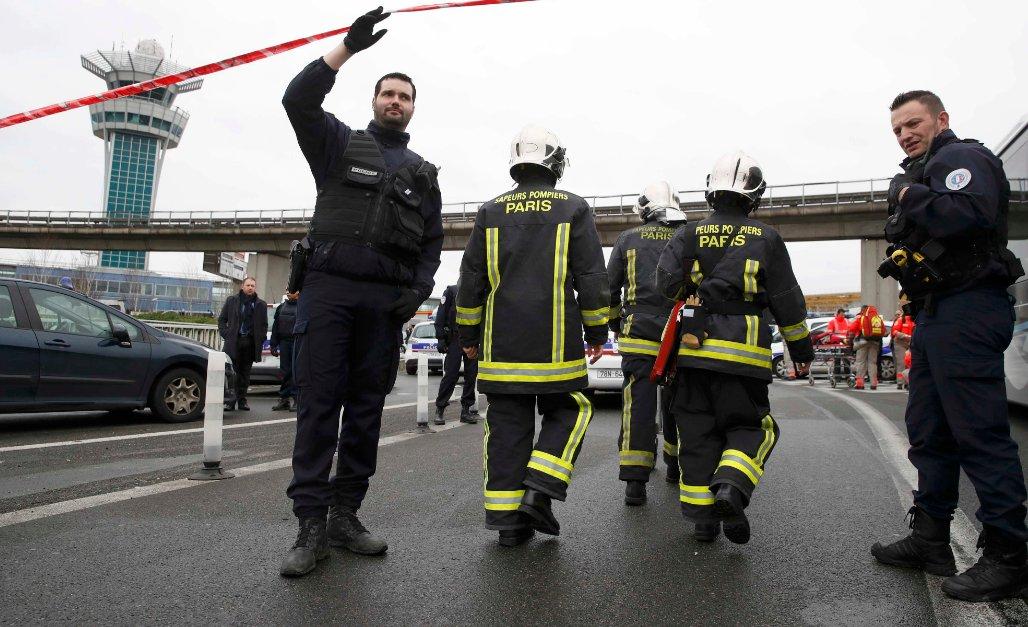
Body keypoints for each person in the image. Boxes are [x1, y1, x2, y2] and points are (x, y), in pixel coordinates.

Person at [278, 7, 443, 577]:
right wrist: (345, 49)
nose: (395, 102)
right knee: (319, 407)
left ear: (413, 107)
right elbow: (295, 100)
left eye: (405, 97)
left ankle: (346, 516)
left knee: (366, 411)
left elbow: (432, 245)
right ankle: (310, 527)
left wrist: (416, 294)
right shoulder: (336, 144)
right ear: (374, 101)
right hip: (327, 292)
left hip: (384, 305)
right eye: (388, 94)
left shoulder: (423, 173)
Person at [870, 90, 1027, 601]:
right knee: (929, 431)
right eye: (897, 129)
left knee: (979, 434)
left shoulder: (963, 157)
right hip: (937, 313)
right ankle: (930, 538)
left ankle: (1010, 555)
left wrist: (908, 196)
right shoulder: (928, 168)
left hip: (969, 307)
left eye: (913, 123)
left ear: (941, 119)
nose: (905, 134)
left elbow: (972, 215)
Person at [456, 125, 608, 547]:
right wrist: (597, 329)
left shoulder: (490, 211)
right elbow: (591, 276)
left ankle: (508, 524)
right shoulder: (574, 208)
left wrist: (468, 332)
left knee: (505, 427)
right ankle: (540, 490)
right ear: (556, 162)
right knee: (572, 410)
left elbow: (471, 278)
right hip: (555, 344)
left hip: (502, 345)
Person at [656, 151, 813, 544]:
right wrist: (802, 351)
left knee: (696, 434)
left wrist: (694, 291)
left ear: (711, 190)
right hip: (744, 356)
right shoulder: (767, 238)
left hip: (694, 351)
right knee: (752, 427)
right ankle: (730, 484)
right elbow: (787, 300)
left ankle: (703, 522)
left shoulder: (687, 233)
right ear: (754, 195)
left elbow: (665, 284)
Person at [606, 181, 686, 505]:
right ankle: (674, 466)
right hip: (676, 338)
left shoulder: (627, 239)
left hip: (638, 336)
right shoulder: (686, 237)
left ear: (644, 208)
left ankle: (635, 485)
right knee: (676, 403)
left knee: (637, 405)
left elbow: (609, 288)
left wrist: (614, 323)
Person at [218, 277, 268, 411]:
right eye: (248, 285)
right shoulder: (232, 301)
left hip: (250, 343)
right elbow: (222, 320)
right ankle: (230, 401)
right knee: (232, 372)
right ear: (242, 286)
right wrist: (226, 334)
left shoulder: (260, 304)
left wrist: (260, 338)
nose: (250, 288)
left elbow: (264, 325)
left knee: (245, 373)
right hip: (234, 341)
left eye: (253, 285)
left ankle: (242, 400)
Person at [433, 282, 479, 425]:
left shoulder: (478, 293)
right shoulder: (452, 291)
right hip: (454, 338)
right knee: (451, 374)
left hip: (472, 340)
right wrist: (440, 338)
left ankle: (466, 410)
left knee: (471, 376)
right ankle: (440, 408)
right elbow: (441, 315)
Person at [270, 291, 300, 411]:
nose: (288, 292)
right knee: (285, 372)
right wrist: (273, 344)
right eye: (287, 290)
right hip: (284, 342)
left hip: (297, 342)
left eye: (291, 290)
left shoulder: (303, 306)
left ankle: (297, 399)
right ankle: (284, 399)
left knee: (296, 371)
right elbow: (276, 327)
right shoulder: (282, 307)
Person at [846, 304, 885, 390]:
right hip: (875, 342)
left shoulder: (860, 318)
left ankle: (860, 383)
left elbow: (851, 328)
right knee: (872, 363)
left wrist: (851, 341)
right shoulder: (877, 318)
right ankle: (874, 384)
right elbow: (884, 330)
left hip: (862, 342)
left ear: (863, 310)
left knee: (861, 362)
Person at [891, 301, 915, 389]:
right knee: (901, 363)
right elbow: (894, 331)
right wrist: (904, 336)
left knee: (909, 363)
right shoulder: (901, 319)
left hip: (910, 343)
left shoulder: (914, 320)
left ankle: (907, 382)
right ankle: (900, 383)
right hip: (900, 343)